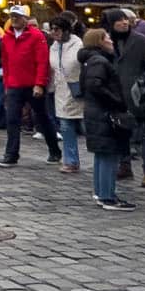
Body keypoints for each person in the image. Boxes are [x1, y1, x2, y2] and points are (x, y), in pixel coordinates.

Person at [79, 25, 134, 211]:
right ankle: (107, 196)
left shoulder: (92, 60)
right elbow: (96, 85)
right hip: (103, 113)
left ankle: (102, 192)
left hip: (95, 112)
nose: (111, 40)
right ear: (100, 41)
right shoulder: (99, 61)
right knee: (108, 154)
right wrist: (116, 100)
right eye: (107, 38)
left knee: (103, 155)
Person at [0, 5, 55, 167]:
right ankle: (11, 154)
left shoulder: (36, 36)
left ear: (25, 19)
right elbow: (6, 63)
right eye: (12, 16)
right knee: (12, 119)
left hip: (32, 84)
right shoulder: (6, 37)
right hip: (14, 85)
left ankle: (54, 149)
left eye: (17, 16)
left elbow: (42, 62)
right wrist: (6, 84)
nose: (14, 19)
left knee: (42, 118)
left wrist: (39, 84)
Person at [106, 8, 145, 188]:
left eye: (125, 19)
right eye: (118, 20)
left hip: (138, 95)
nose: (123, 23)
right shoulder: (107, 42)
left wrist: (143, 84)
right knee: (120, 132)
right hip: (116, 94)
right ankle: (125, 165)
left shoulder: (141, 41)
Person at [48, 13, 85, 174]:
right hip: (61, 89)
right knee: (65, 126)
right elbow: (54, 68)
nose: (54, 32)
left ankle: (107, 157)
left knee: (88, 126)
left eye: (57, 29)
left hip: (78, 88)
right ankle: (71, 160)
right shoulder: (54, 46)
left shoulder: (78, 44)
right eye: (52, 29)